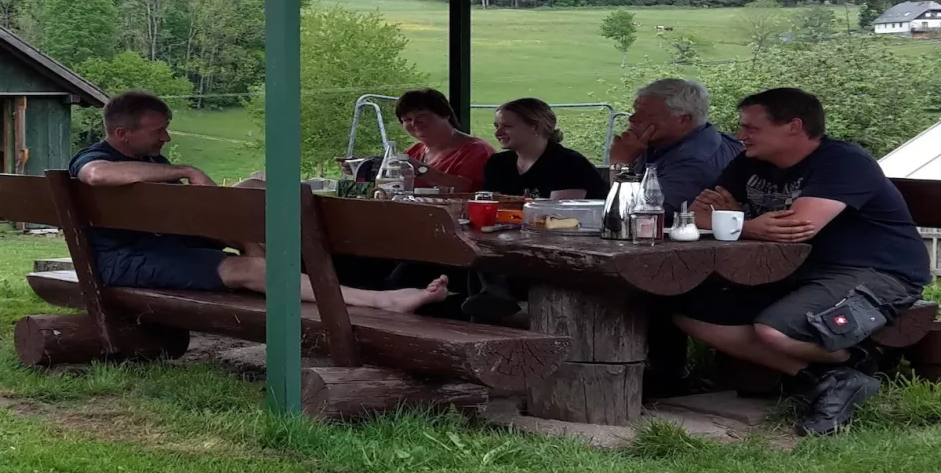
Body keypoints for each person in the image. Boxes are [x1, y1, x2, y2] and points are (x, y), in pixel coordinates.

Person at [674, 88, 929, 435]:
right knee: (687, 308)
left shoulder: (844, 162)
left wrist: (736, 223)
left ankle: (853, 363)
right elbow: (694, 215)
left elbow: (794, 228)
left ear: (793, 126)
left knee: (774, 329)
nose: (740, 135)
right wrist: (749, 226)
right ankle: (836, 376)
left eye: (751, 128)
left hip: (877, 272)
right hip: (796, 272)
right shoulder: (750, 161)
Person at [69, 90, 449, 313]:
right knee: (250, 270)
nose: (166, 138)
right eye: (159, 130)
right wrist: (186, 169)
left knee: (254, 186)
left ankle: (271, 261)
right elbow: (98, 176)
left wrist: (246, 237)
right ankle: (382, 301)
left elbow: (198, 211)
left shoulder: (149, 161)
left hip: (169, 245)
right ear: (121, 133)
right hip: (125, 261)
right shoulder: (93, 158)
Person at [608, 78, 742, 215]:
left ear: (684, 119)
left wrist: (620, 163)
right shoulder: (656, 143)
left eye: (647, 115)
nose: (632, 119)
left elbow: (642, 214)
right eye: (635, 111)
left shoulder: (696, 160)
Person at [482, 98, 608, 199]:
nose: (498, 133)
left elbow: (558, 218)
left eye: (507, 126)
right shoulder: (497, 163)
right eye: (497, 126)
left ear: (536, 127)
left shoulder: (569, 164)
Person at [395, 88, 496, 192]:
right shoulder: (413, 152)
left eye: (422, 116)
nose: (414, 123)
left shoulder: (477, 150)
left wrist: (421, 170)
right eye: (407, 119)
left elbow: (471, 191)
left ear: (445, 114)